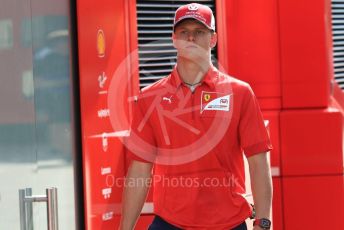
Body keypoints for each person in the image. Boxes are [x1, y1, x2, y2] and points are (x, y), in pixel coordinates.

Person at [119, 3, 272, 230]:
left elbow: (258, 162)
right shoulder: (150, 98)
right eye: (184, 32)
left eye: (199, 32)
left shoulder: (239, 93)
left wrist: (263, 222)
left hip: (228, 223)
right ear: (174, 39)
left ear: (213, 39)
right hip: (169, 223)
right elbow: (140, 169)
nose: (191, 38)